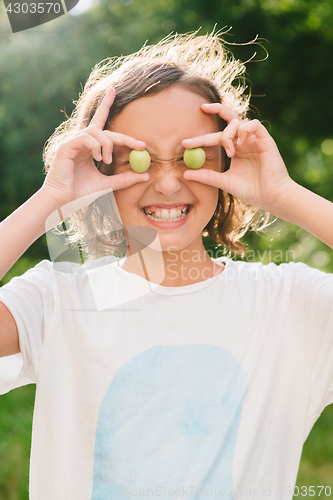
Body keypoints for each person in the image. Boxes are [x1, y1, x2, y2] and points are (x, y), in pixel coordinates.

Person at [0, 30, 333, 500]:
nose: (169, 184)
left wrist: (283, 194)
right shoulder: (57, 300)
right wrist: (51, 200)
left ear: (224, 161)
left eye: (190, 156)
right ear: (105, 169)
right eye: (139, 159)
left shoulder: (288, 305)